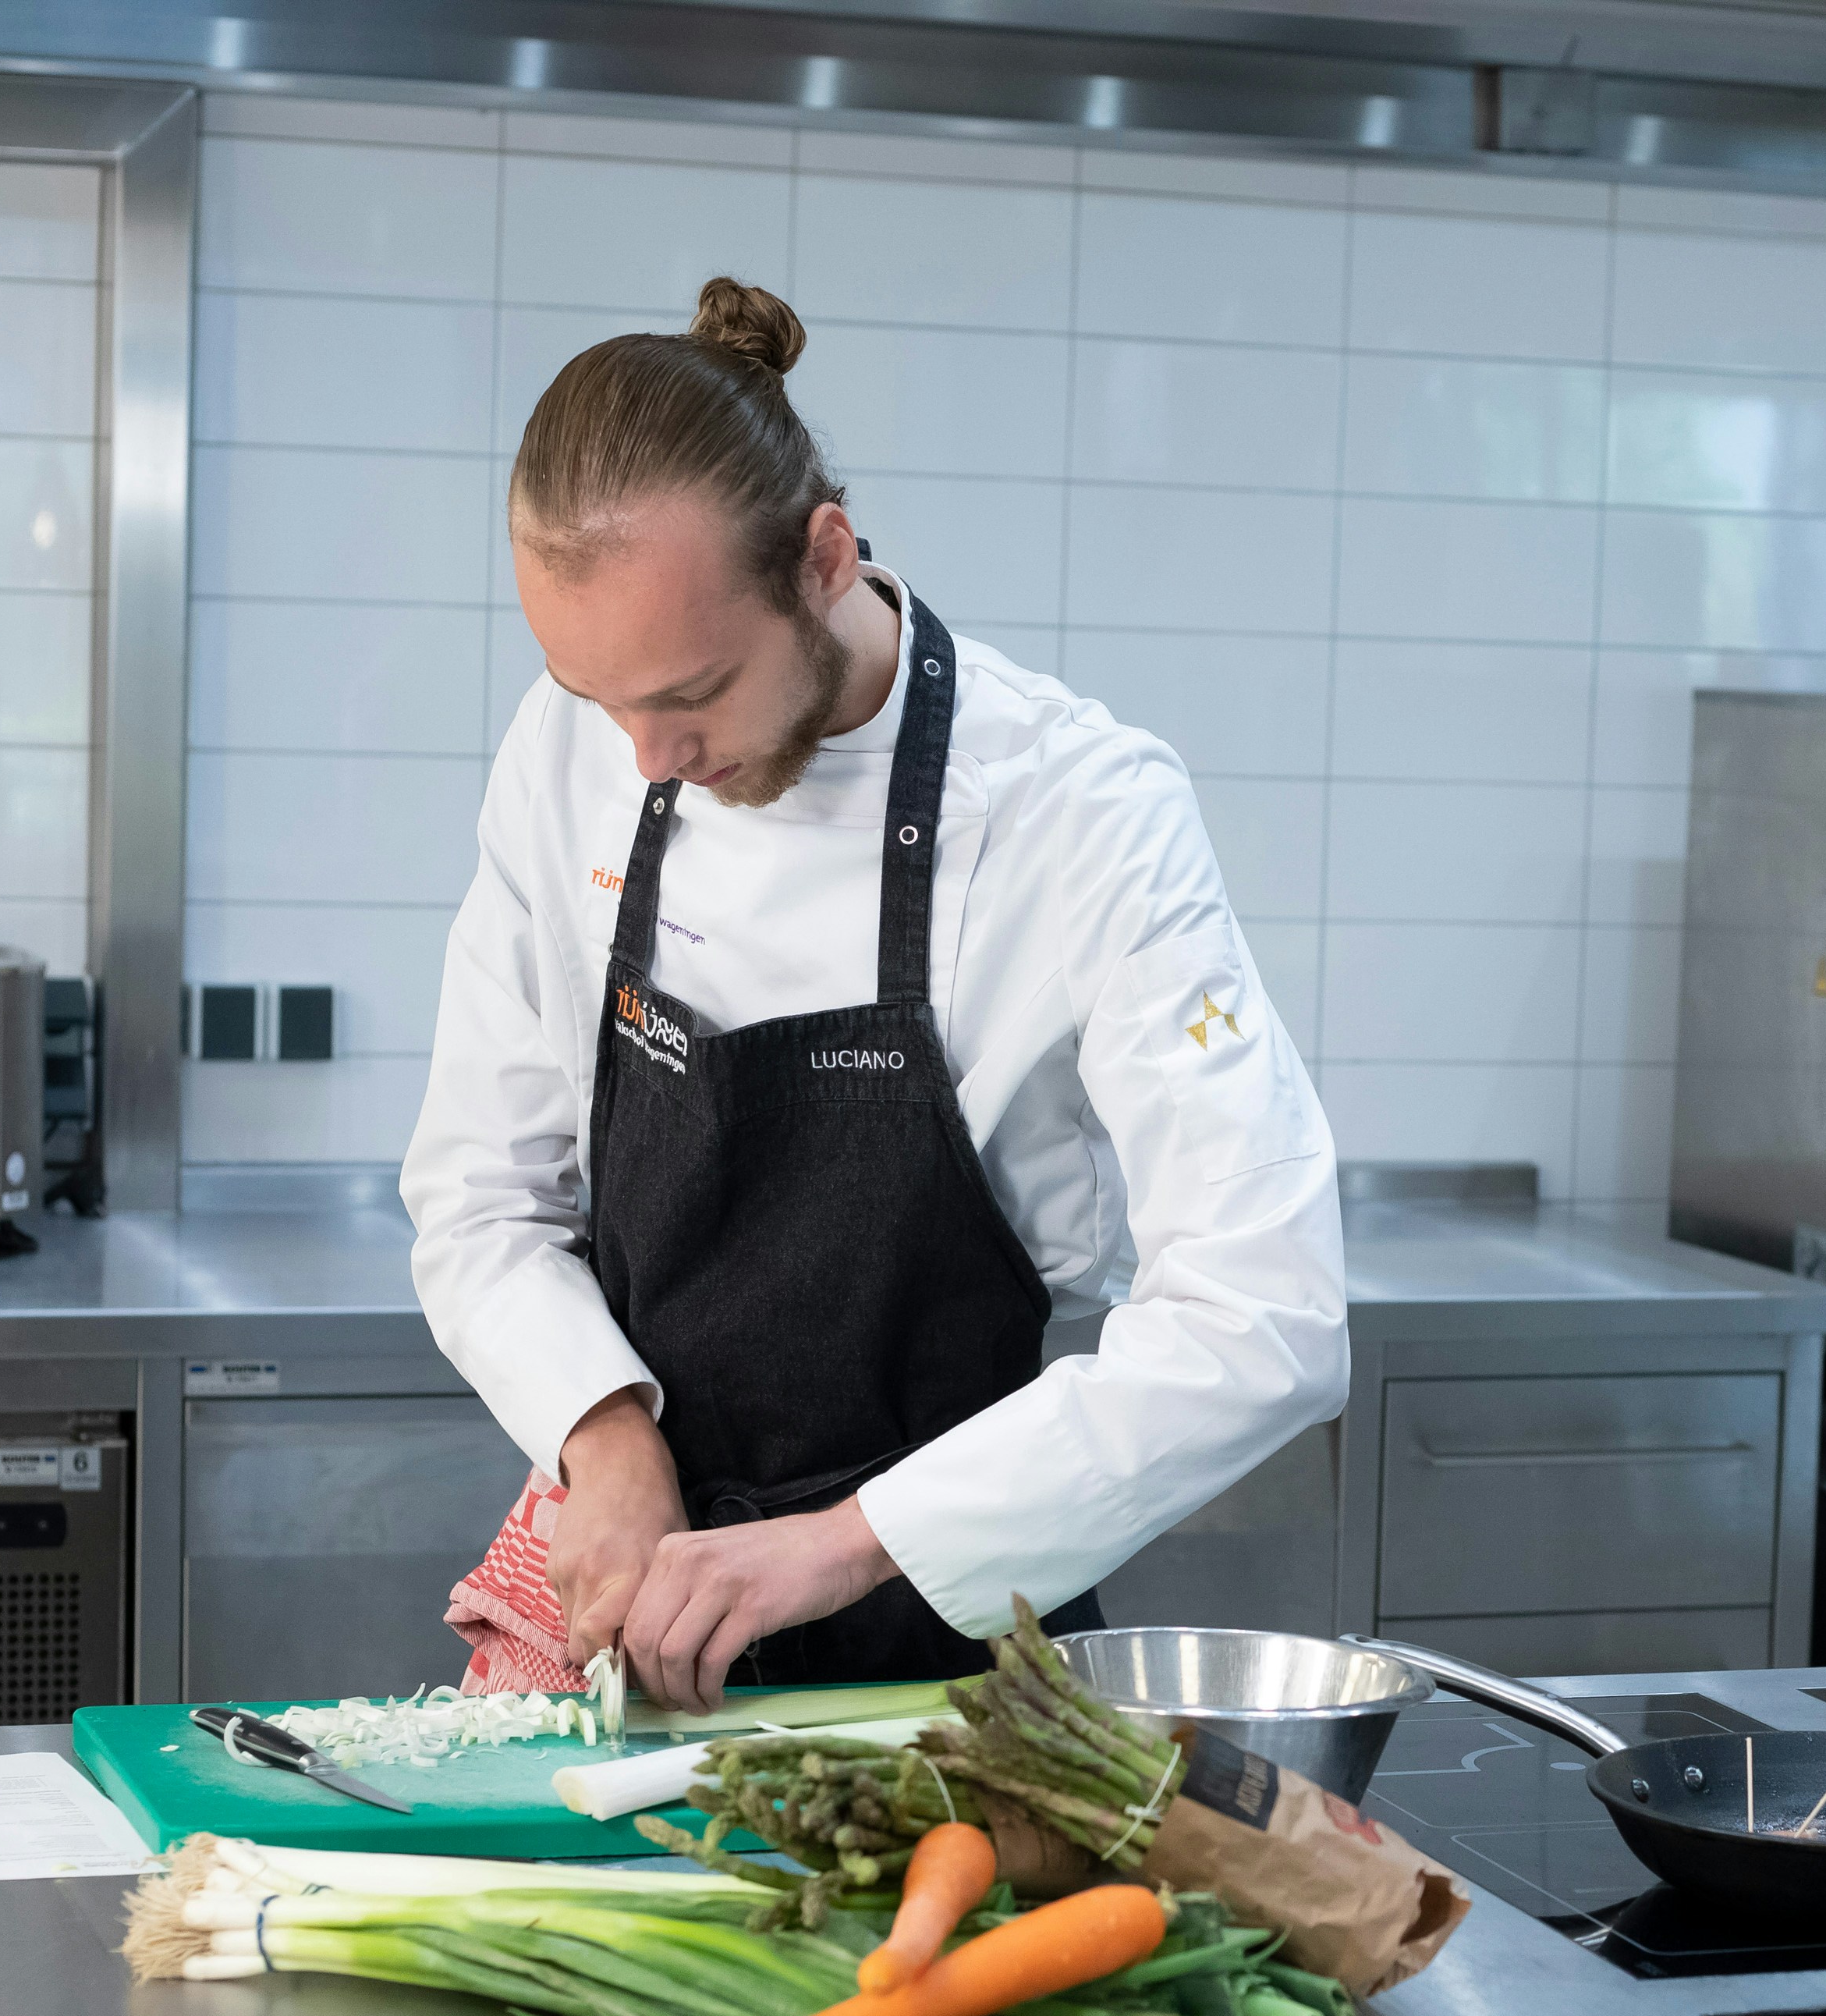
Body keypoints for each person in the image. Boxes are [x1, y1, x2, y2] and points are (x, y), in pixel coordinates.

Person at [402, 277, 1347, 1713]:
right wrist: (607, 1436)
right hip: (636, 1638)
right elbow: (480, 1194)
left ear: (824, 558)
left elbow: (1266, 1317)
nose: (649, 758)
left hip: (950, 1660)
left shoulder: (1079, 811)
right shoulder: (573, 749)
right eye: (602, 701)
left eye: (695, 693)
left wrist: (845, 1545)